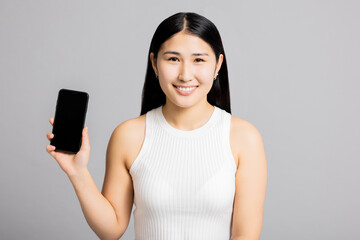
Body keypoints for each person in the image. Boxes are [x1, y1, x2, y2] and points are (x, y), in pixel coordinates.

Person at [46, 12, 267, 240]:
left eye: (198, 60)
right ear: (154, 63)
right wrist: (77, 172)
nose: (185, 74)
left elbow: (246, 236)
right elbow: (110, 230)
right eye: (173, 59)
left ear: (217, 64)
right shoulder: (129, 135)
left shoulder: (244, 138)